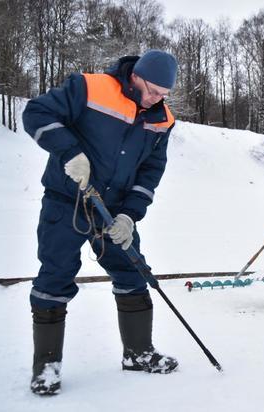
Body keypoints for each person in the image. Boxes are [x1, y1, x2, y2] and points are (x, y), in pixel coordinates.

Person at [23, 49, 179, 395]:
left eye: (164, 95)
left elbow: (151, 171)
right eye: (152, 90)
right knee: (55, 274)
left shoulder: (162, 120)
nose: (156, 99)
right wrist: (70, 152)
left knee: (133, 271)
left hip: (115, 209)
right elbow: (36, 113)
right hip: (68, 201)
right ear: (136, 76)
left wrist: (129, 215)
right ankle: (46, 367)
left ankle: (138, 353)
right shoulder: (90, 87)